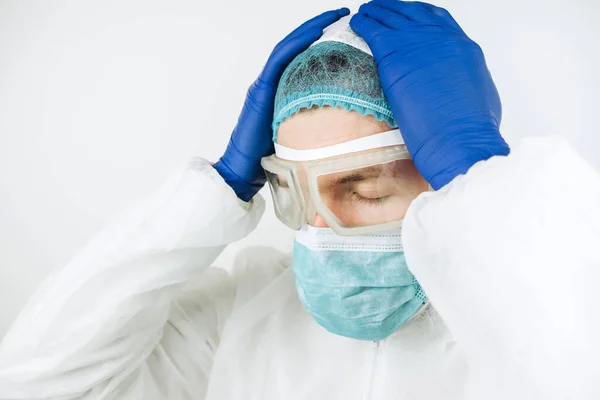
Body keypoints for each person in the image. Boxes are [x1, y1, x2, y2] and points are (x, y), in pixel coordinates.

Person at [1, 1, 599, 399]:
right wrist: (214, 192)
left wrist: (485, 189)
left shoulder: (534, 322)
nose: (318, 227)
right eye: (293, 189)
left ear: (444, 183)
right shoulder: (241, 317)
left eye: (361, 188)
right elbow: (35, 382)